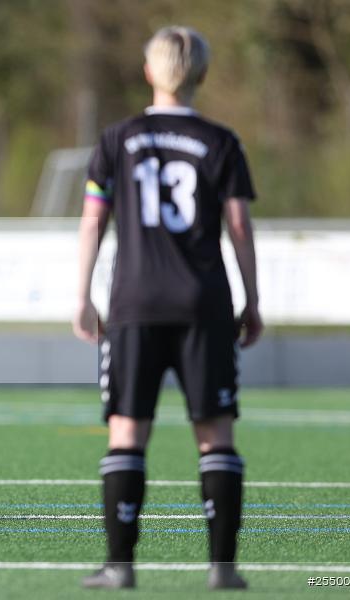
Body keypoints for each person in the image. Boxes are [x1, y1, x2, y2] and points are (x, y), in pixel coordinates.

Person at [73, 26, 262, 590]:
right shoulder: (223, 141)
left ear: (149, 71)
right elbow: (239, 226)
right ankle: (223, 569)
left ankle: (119, 566)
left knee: (128, 432)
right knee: (215, 434)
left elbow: (92, 221)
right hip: (204, 304)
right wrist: (252, 298)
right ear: (201, 74)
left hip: (134, 304)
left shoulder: (116, 138)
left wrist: (82, 295)